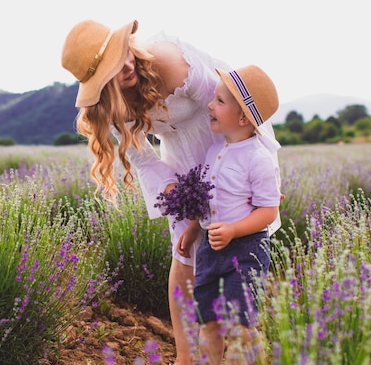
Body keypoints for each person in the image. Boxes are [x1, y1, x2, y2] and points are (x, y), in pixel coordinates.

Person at [61, 19, 281, 365]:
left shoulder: (169, 63)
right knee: (184, 251)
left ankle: (242, 342)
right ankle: (186, 357)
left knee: (237, 236)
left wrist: (252, 178)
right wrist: (175, 191)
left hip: (223, 142)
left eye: (123, 53)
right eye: (113, 68)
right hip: (180, 158)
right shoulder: (114, 106)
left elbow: (228, 110)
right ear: (100, 83)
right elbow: (143, 158)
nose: (128, 65)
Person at [177, 65, 281, 364]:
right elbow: (210, 198)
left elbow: (268, 211)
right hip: (211, 249)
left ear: (243, 118)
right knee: (208, 321)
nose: (210, 105)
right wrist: (196, 227)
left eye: (220, 101)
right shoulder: (215, 150)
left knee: (241, 325)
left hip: (245, 250)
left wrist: (235, 231)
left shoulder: (258, 158)